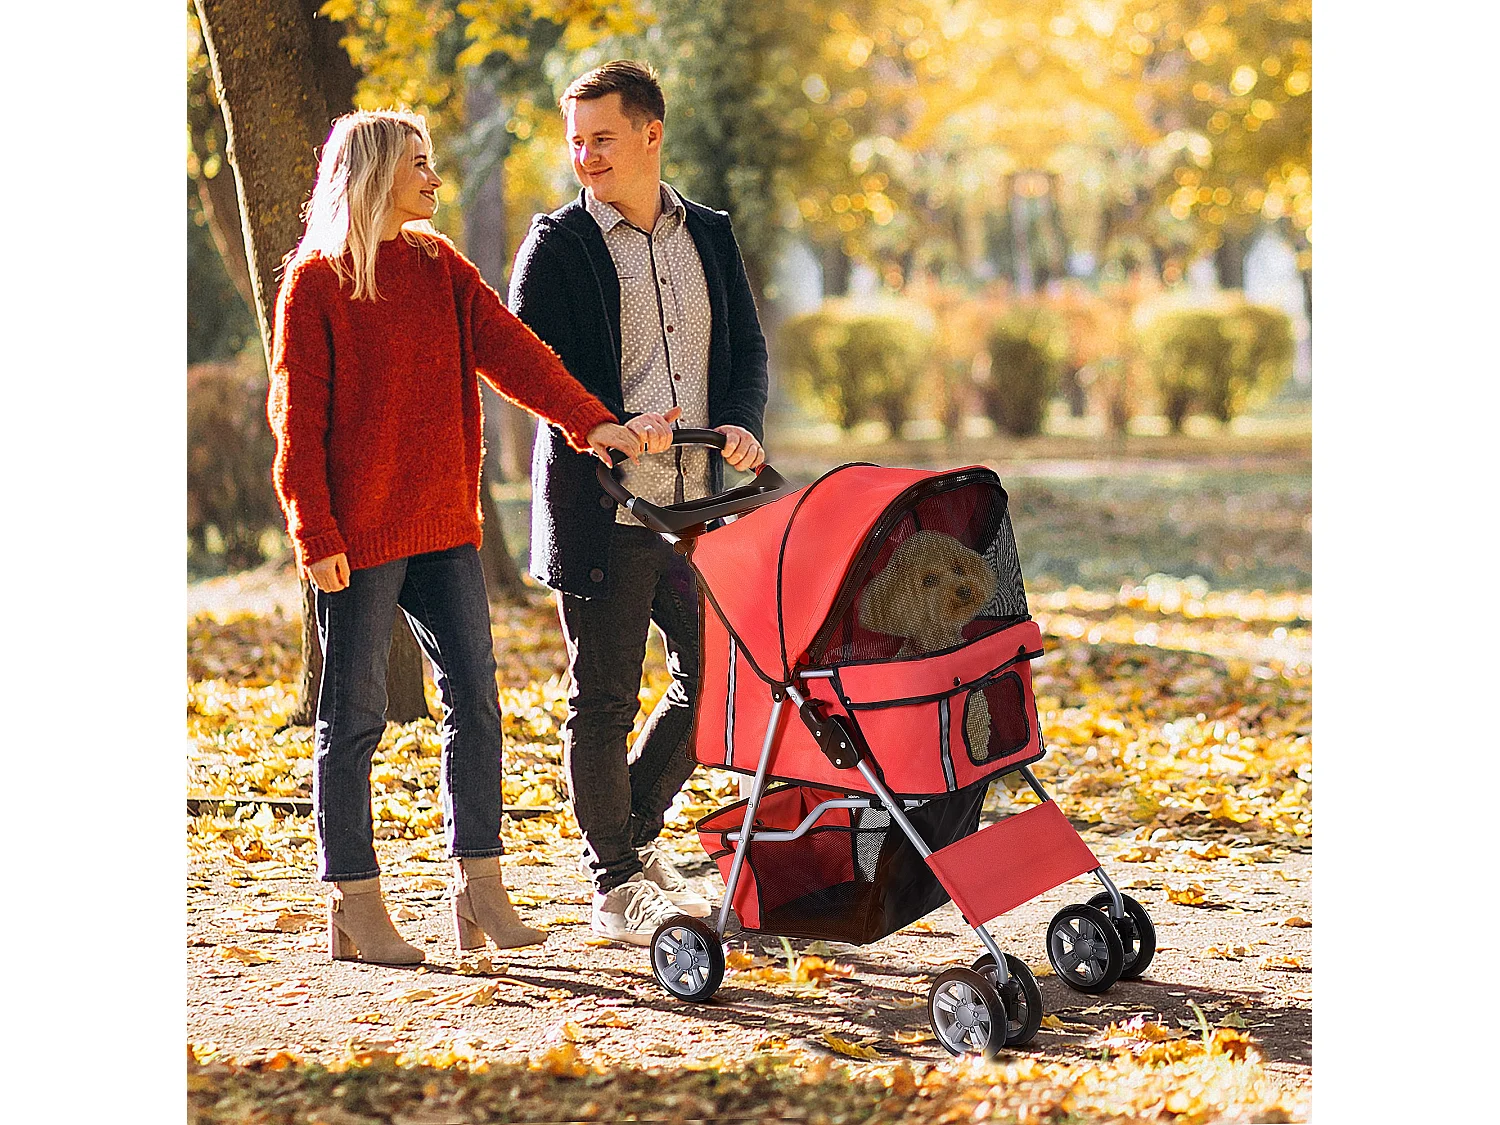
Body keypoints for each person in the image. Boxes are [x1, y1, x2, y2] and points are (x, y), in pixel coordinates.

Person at [268, 109, 642, 966]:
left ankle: (481, 889)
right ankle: (354, 901)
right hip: (358, 536)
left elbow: (516, 353)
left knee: (476, 700)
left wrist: (591, 421)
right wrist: (314, 529)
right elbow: (298, 423)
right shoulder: (317, 284)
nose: (434, 177)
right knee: (353, 715)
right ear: (374, 175)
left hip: (443, 527)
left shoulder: (440, 266)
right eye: (418, 164)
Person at [508, 61, 769, 946]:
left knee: (719, 680)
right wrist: (610, 422)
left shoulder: (711, 234)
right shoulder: (558, 244)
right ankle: (615, 881)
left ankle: (632, 836)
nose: (585, 156)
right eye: (576, 141)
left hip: (695, 509)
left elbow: (746, 348)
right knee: (605, 698)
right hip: (605, 509)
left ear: (652, 134)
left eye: (603, 138)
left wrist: (741, 420)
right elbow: (532, 367)